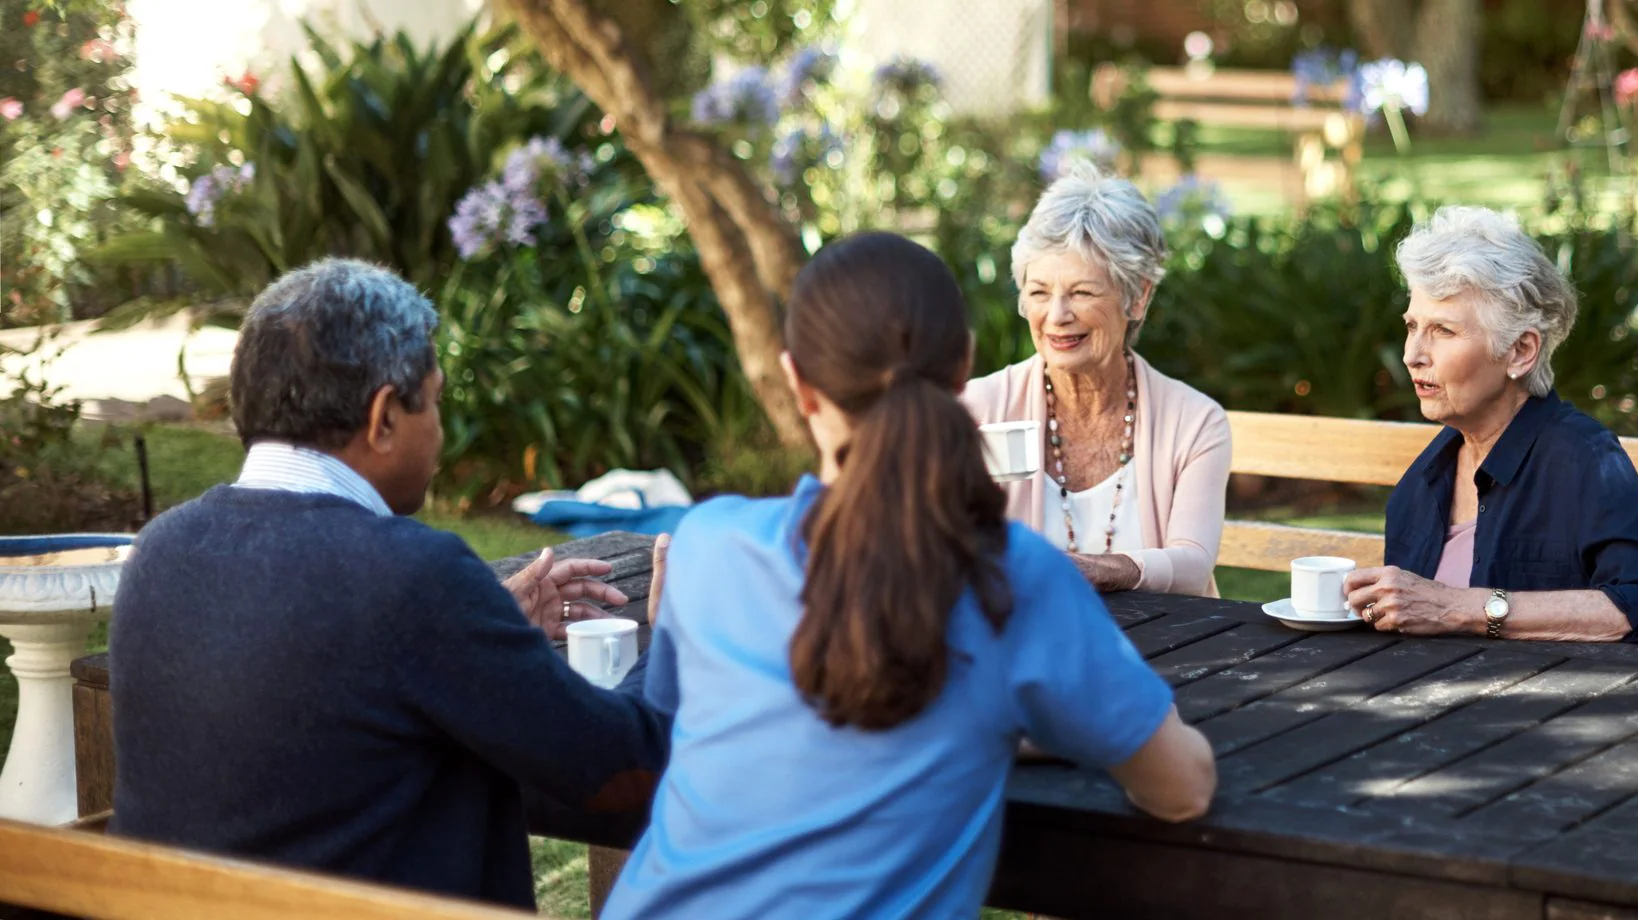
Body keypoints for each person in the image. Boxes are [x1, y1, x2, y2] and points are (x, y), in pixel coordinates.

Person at [604, 232, 1215, 920]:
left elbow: (697, 735)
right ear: (963, 377)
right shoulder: (1014, 576)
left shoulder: (707, 545)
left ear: (798, 385)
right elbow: (1183, 787)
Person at [106, 259, 670, 908]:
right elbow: (621, 771)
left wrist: (484, 629)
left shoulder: (162, 550)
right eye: (433, 400)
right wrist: (677, 635)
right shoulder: (407, 577)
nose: (439, 428)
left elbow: (338, 696)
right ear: (382, 418)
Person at [1343, 207, 1638, 646]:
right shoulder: (1425, 479)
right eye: (1413, 326)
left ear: (1521, 351)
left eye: (1443, 331)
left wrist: (1462, 608)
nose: (1413, 354)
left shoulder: (1583, 458)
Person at [964, 168, 1232, 596]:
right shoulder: (977, 409)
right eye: (1038, 292)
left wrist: (1107, 570)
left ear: (1138, 296)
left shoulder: (1194, 423)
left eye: (1082, 293)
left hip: (1163, 655)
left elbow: (1193, 565)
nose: (1056, 316)